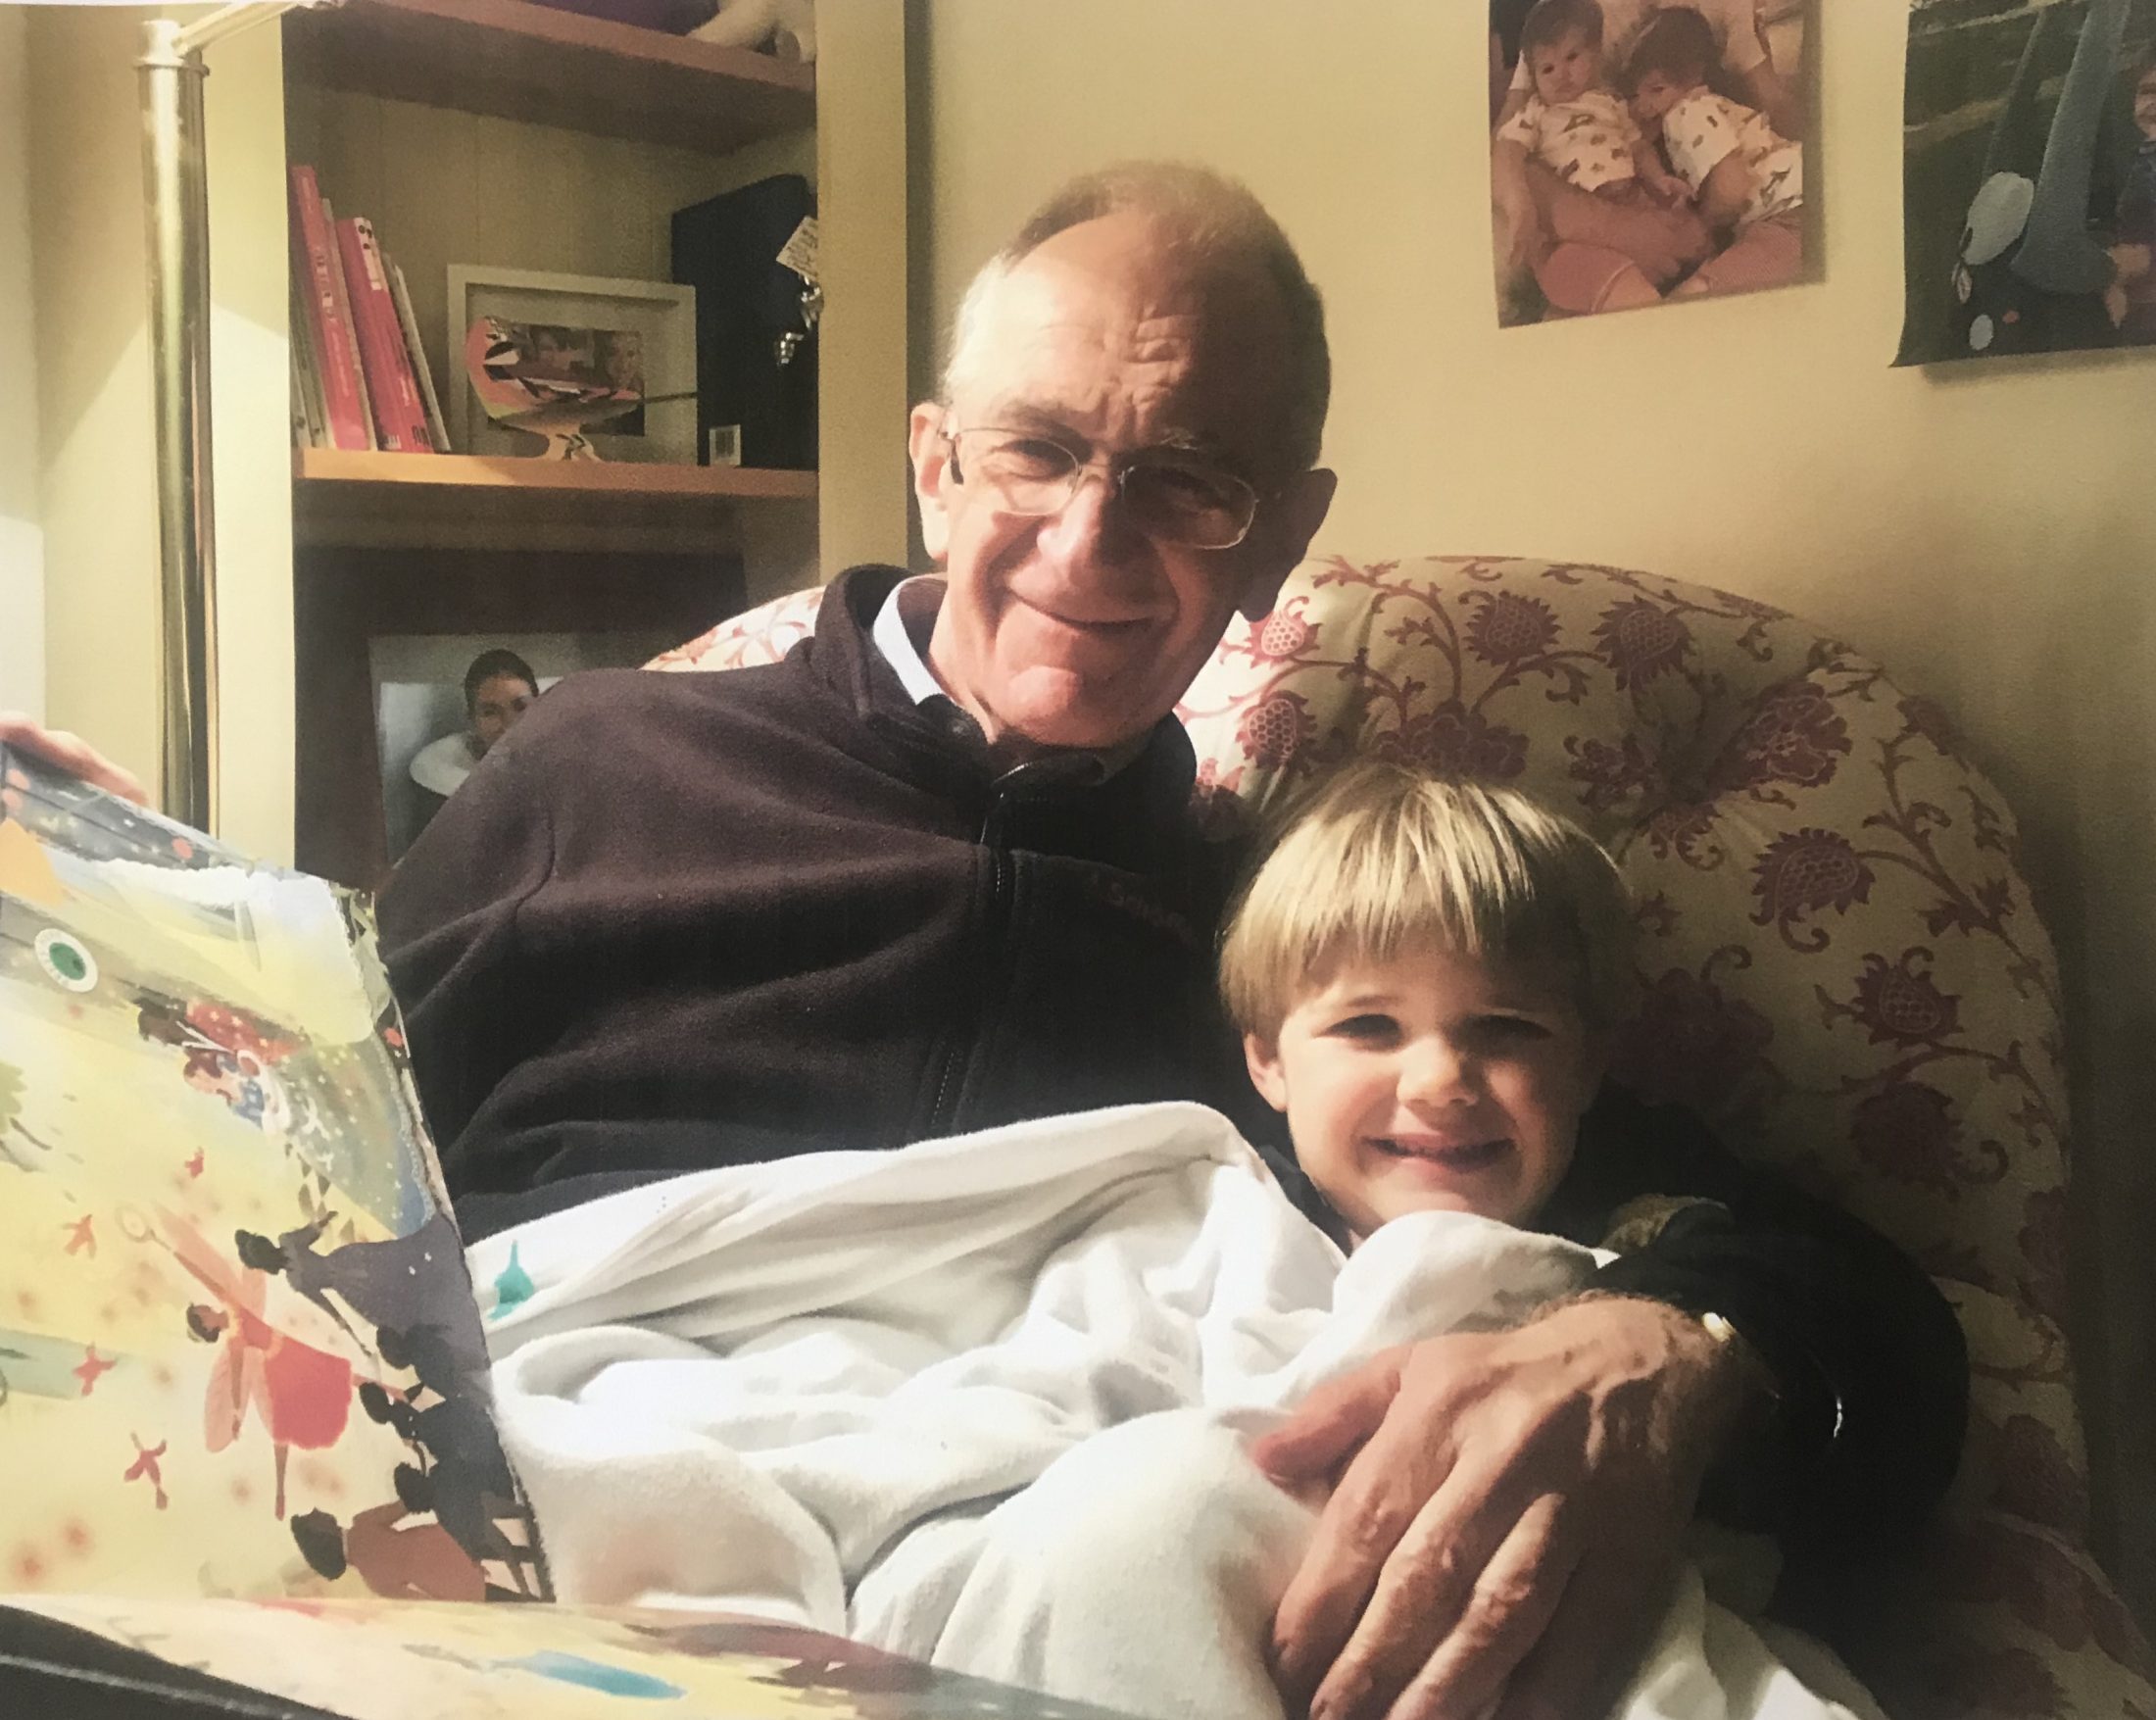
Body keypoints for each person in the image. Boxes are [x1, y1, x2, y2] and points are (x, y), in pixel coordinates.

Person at [0, 163, 1964, 1720]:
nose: (1094, 538)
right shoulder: (599, 763)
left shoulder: (1299, 951)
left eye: (1186, 479)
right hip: (546, 1486)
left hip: (1012, 1592)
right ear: (936, 462)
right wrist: (84, 927)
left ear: (1280, 533)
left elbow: (1854, 1319)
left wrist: (1689, 1343)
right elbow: (271, 1137)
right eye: (1037, 449)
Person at [1493, 0, 1691, 317]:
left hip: (1629, 202)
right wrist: (1519, 201)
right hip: (1570, 230)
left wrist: (1659, 178)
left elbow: (1639, 147)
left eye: (1572, 57)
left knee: (1686, 236)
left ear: (1596, 56)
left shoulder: (1611, 103)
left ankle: (1569, 311)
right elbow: (1508, 149)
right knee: (1592, 274)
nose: (1561, 74)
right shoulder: (1537, 112)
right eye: (1547, 69)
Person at [1624, 6, 1805, 301]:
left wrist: (1704, 225)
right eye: (1636, 95)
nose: (1645, 105)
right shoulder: (1713, 104)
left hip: (1789, 214)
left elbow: (1731, 187)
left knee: (1695, 297)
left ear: (1694, 77)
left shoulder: (1684, 112)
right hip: (1795, 200)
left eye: (1656, 90)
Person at [408, 649, 539, 802]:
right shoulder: (449, 767)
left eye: (521, 707)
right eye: (490, 712)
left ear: (542, 709)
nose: (509, 724)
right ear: (473, 720)